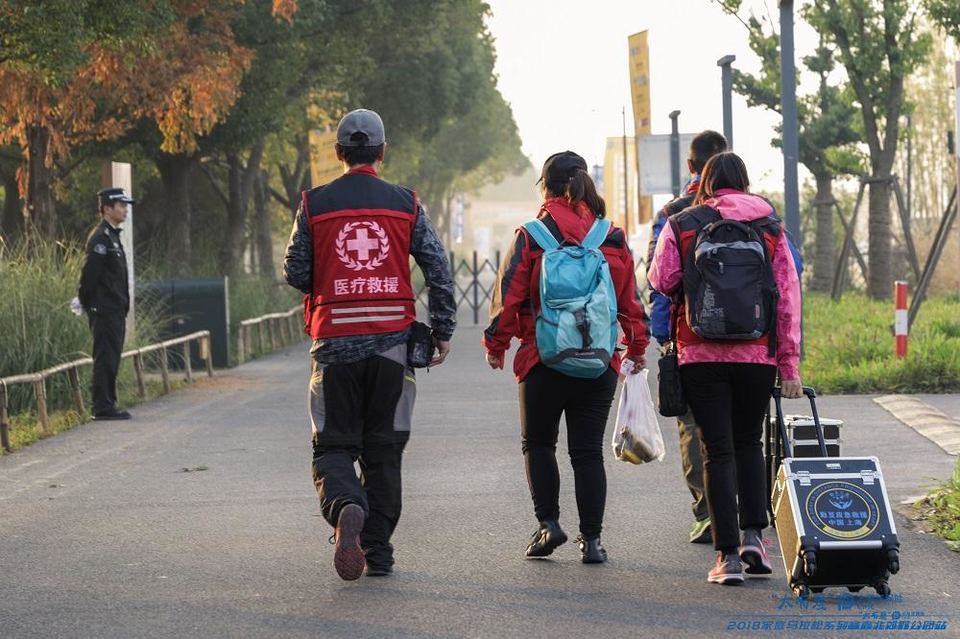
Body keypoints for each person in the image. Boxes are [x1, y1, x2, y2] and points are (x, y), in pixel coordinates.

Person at [283, 108, 456, 581]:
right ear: (382, 152)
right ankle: (378, 553)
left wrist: (336, 276)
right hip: (391, 347)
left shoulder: (313, 204)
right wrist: (442, 329)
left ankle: (345, 509)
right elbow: (439, 269)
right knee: (384, 449)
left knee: (333, 446)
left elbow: (295, 271)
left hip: (333, 343)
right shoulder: (406, 203)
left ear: (338, 153)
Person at [483, 151, 649, 564]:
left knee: (538, 443)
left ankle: (549, 524)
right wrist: (637, 347)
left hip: (544, 359)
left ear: (547, 187)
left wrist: (497, 345)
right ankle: (592, 541)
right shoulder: (610, 236)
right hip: (599, 361)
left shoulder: (532, 235)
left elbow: (509, 295)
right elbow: (629, 300)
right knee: (587, 452)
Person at [648, 152, 802, 585]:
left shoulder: (685, 222)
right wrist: (789, 365)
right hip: (757, 354)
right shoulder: (770, 227)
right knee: (749, 443)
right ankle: (755, 538)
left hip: (700, 352)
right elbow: (788, 297)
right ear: (746, 181)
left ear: (707, 181)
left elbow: (661, 280)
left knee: (717, 449)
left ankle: (728, 558)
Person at [646, 130, 727, 545]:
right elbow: (791, 265)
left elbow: (657, 280)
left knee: (694, 426)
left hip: (690, 338)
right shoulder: (757, 209)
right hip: (750, 340)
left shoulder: (674, 212)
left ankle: (706, 512)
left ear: (692, 166)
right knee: (743, 430)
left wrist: (662, 337)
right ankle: (747, 517)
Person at [78, 187, 134, 421]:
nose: (125, 209)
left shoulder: (112, 236)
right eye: (121, 205)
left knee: (112, 355)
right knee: (105, 356)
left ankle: (108, 402)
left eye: (125, 205)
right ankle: (102, 407)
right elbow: (90, 276)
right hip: (104, 309)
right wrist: (89, 304)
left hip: (114, 309)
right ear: (107, 208)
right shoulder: (101, 237)